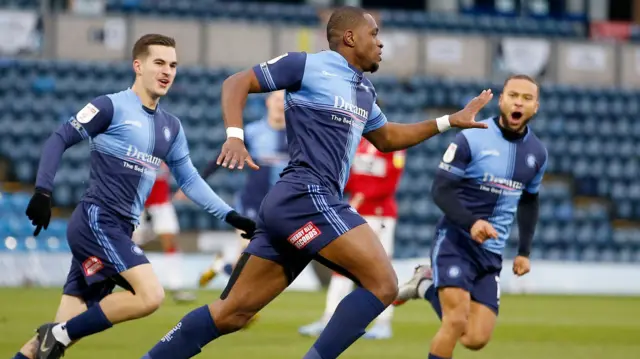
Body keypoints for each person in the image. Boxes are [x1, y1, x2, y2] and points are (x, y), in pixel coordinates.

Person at [140, 6, 492, 359]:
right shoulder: (305, 65)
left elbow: (386, 137)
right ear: (350, 38)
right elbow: (237, 82)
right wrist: (235, 135)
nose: (380, 43)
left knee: (232, 314)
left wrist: (448, 121)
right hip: (308, 195)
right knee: (384, 284)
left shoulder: (364, 91)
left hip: (294, 206)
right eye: (374, 35)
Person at [13, 34, 256, 359]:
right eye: (159, 62)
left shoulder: (171, 127)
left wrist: (231, 216)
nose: (167, 70)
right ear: (138, 66)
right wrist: (43, 190)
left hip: (119, 229)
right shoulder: (110, 106)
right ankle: (58, 333)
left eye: (173, 65)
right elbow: (60, 138)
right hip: (97, 221)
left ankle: (55, 336)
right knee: (150, 295)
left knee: (51, 346)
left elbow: (191, 180)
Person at [394, 74, 546, 359]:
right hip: (455, 242)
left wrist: (524, 251)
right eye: (513, 95)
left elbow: (529, 200)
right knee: (454, 322)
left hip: (490, 254)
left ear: (535, 107)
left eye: (527, 98)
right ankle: (429, 282)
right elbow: (440, 190)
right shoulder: (472, 136)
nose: (518, 102)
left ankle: (424, 285)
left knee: (475, 339)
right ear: (502, 100)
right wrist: (472, 223)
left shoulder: (537, 153)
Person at [299, 137, 405, 339]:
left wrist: (364, 195)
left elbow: (391, 182)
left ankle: (384, 323)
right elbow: (348, 174)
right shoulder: (356, 142)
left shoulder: (392, 144)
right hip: (354, 211)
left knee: (382, 268)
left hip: (380, 213)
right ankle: (328, 318)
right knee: (343, 265)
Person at [193, 90, 288, 288]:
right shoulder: (253, 131)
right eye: (277, 99)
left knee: (256, 260)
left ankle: (223, 266)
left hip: (280, 205)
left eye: (284, 100)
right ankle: (237, 306)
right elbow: (225, 154)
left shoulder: (296, 135)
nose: (280, 104)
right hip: (252, 202)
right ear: (268, 102)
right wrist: (199, 180)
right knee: (250, 253)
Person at [133, 162, 196, 303]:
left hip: (162, 205)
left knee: (170, 243)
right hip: (139, 206)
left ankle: (176, 286)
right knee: (132, 246)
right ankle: (132, 285)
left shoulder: (164, 150)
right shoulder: (136, 151)